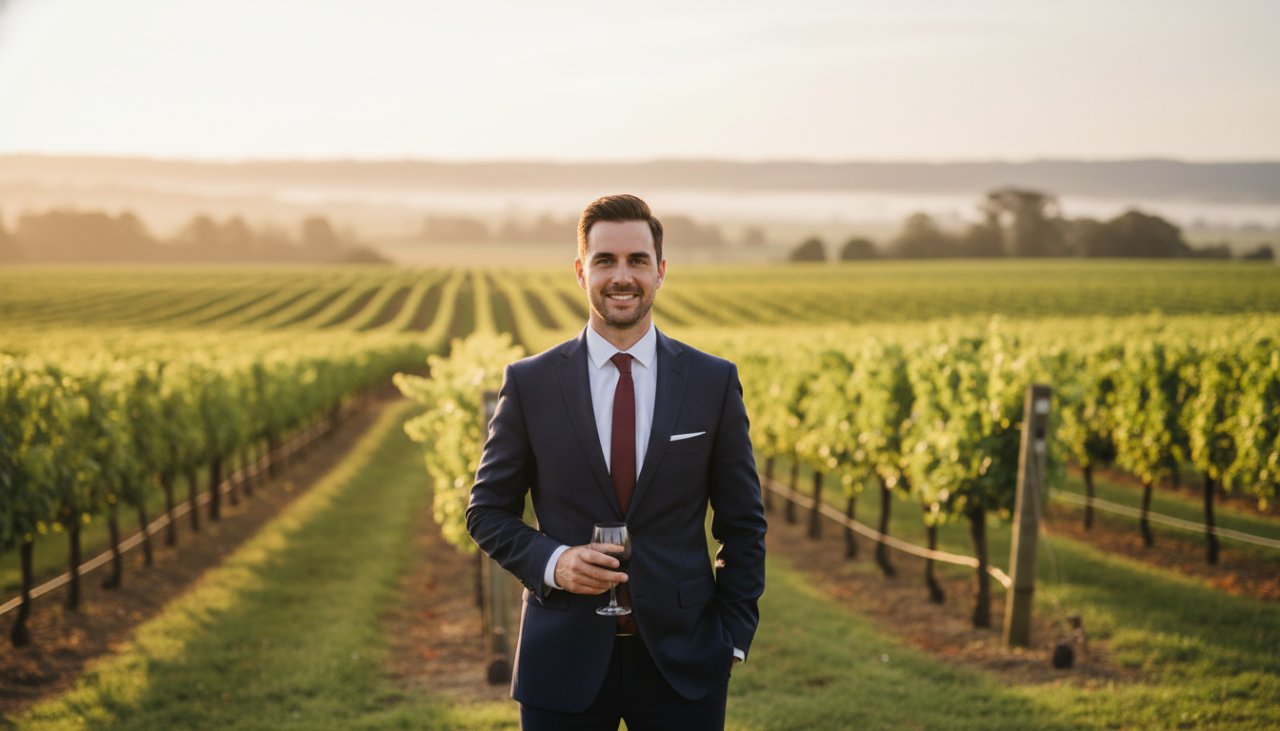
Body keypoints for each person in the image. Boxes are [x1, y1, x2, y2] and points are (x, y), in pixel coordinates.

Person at [466, 194, 767, 730]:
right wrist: (554, 561)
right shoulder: (530, 383)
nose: (621, 276)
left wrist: (734, 638)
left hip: (685, 660)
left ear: (660, 271)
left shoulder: (712, 381)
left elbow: (743, 523)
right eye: (605, 260)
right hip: (560, 659)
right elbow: (486, 511)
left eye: (637, 260)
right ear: (581, 271)